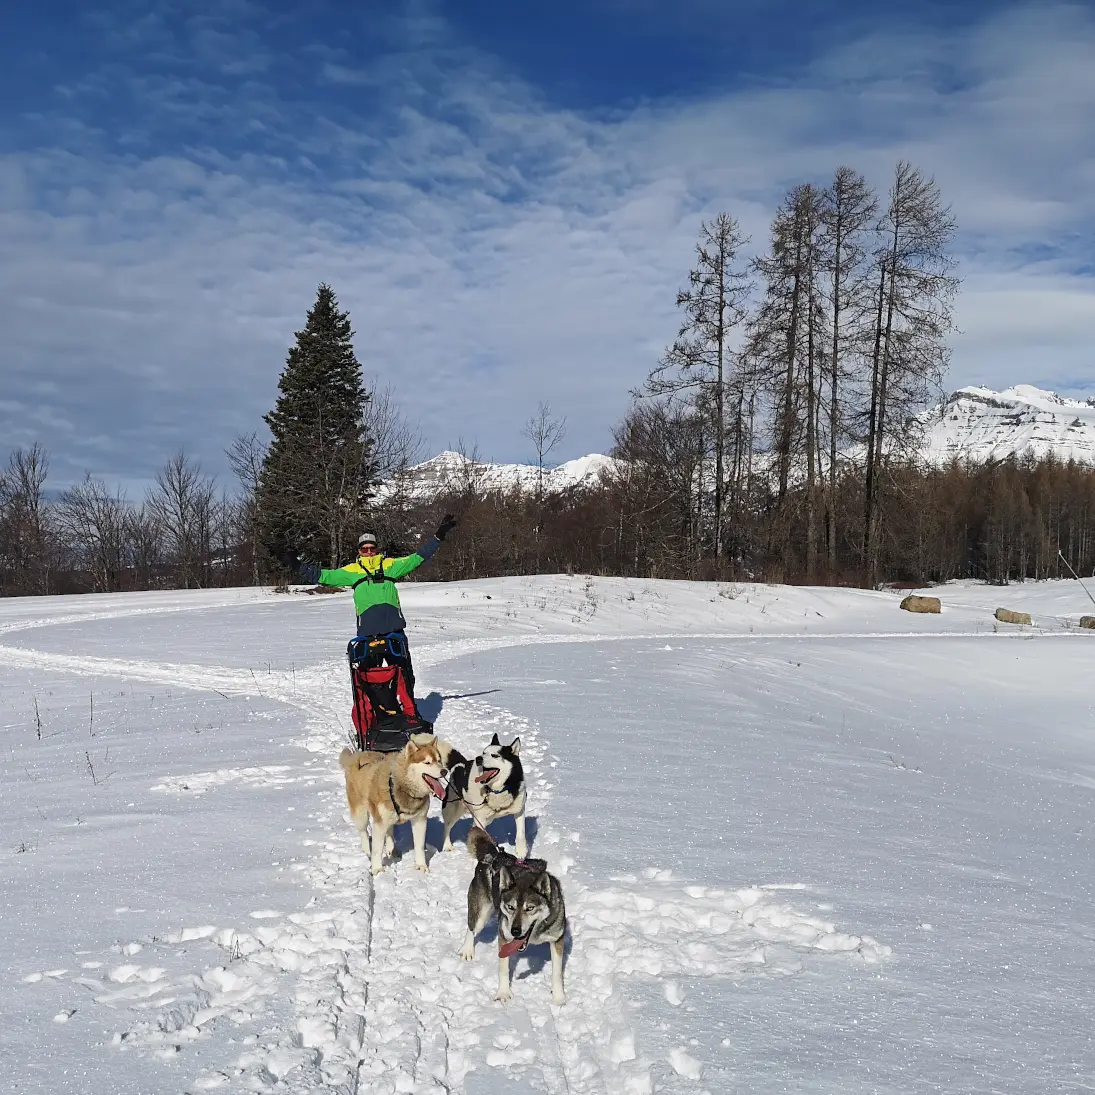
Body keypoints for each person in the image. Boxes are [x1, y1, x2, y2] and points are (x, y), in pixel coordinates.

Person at [284, 514, 457, 709]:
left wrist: (438, 536)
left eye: (372, 548)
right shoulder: (351, 571)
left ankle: (408, 710)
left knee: (404, 673)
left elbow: (419, 557)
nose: (368, 552)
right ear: (359, 550)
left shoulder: (391, 566)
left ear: (376, 549)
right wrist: (295, 564)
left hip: (394, 630)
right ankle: (377, 712)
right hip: (368, 633)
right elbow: (321, 576)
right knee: (369, 676)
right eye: (364, 549)